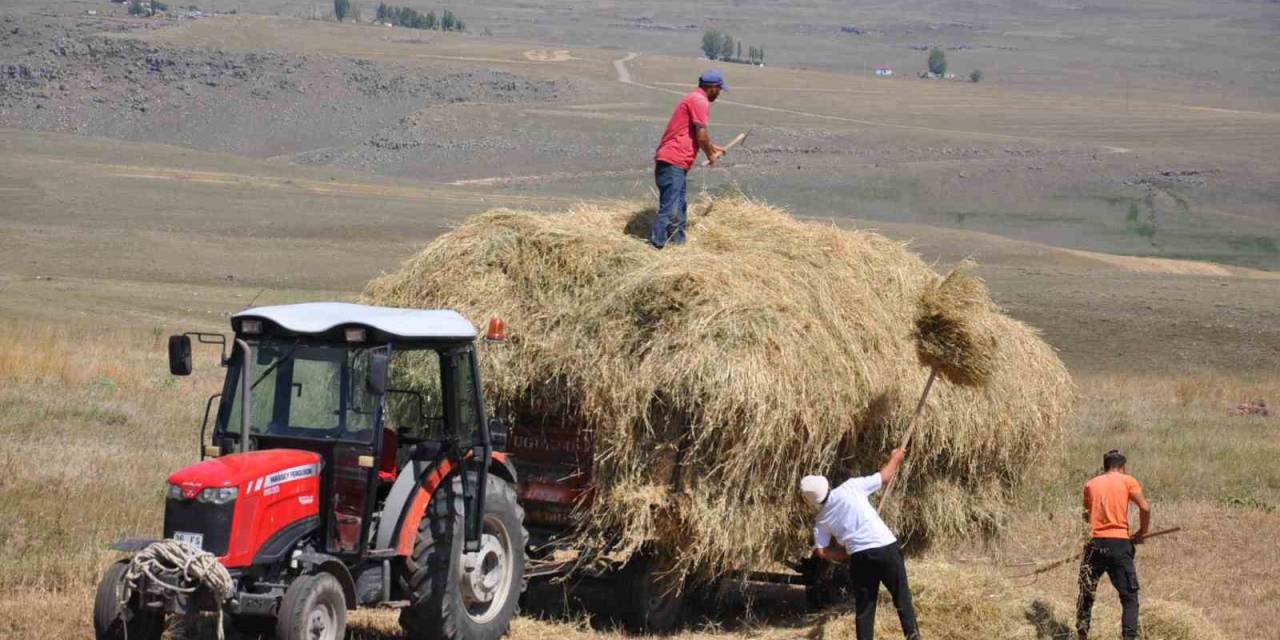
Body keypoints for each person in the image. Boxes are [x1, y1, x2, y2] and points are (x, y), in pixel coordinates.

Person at [801, 449, 921, 640]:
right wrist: (896, 458)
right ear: (827, 485)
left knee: (865, 608)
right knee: (902, 598)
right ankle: (913, 637)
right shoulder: (850, 487)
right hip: (885, 548)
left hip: (859, 557)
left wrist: (845, 553)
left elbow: (822, 551)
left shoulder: (821, 520)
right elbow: (885, 476)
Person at [1076, 449, 1152, 640]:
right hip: (1119, 544)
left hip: (1094, 544)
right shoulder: (1127, 481)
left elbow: (1085, 517)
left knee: (1086, 593)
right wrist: (1142, 532)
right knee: (1129, 598)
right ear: (1122, 466)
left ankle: (1082, 634)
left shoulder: (1090, 484)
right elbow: (1145, 507)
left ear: (1105, 466)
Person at [648, 69, 727, 248]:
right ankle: (655, 247)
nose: (720, 93)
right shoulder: (700, 101)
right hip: (672, 162)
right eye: (720, 89)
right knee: (670, 209)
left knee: (680, 208)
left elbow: (692, 134)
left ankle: (679, 247)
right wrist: (710, 155)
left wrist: (713, 148)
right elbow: (701, 135)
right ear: (713, 87)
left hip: (676, 163)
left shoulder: (693, 98)